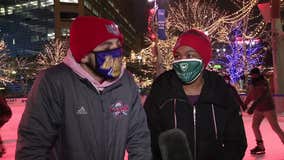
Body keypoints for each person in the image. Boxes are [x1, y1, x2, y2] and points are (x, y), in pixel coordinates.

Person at [16, 16, 151, 160]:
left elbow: (139, 137)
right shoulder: (54, 82)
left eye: (118, 46)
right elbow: (33, 147)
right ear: (84, 54)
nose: (116, 53)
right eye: (107, 47)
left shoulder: (126, 82)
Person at [144, 29, 247, 160]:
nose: (182, 62)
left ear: (203, 60)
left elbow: (236, 142)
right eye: (177, 56)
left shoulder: (221, 92)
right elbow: (147, 139)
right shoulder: (162, 90)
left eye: (189, 55)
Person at [244, 67, 284, 155]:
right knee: (255, 126)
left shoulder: (263, 82)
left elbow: (262, 97)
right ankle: (260, 146)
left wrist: (252, 107)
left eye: (254, 75)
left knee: (275, 127)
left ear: (258, 74)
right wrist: (245, 104)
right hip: (259, 109)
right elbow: (251, 94)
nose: (253, 77)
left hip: (268, 108)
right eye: (252, 75)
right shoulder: (253, 83)